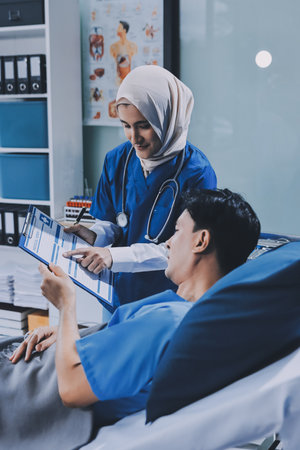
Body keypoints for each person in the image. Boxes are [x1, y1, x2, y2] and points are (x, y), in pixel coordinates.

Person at [4, 188, 260, 449]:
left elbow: (71, 389)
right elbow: (122, 341)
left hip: (27, 390)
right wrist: (68, 333)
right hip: (44, 362)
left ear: (200, 241)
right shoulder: (193, 315)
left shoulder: (171, 321)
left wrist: (66, 306)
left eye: (178, 230)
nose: (169, 242)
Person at [63, 65, 217, 309]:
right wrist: (97, 235)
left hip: (167, 300)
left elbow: (185, 249)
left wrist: (114, 256)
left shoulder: (197, 173)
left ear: (167, 118)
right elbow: (114, 222)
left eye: (143, 125)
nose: (133, 137)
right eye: (126, 125)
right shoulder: (117, 159)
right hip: (119, 294)